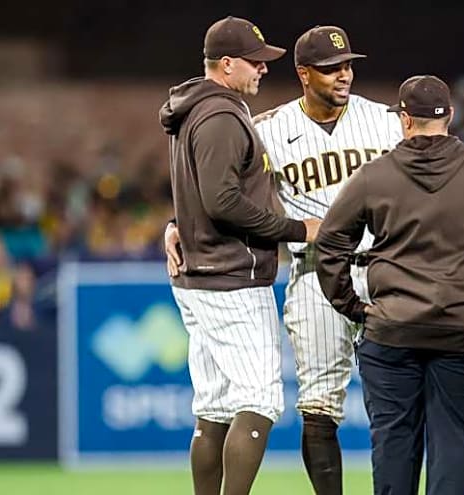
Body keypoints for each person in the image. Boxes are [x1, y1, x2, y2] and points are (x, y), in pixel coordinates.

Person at [165, 24, 403, 495]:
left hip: (385, 271)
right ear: (303, 73)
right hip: (315, 271)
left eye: (348, 65)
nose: (344, 75)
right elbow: (219, 182)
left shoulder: (387, 121)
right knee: (316, 406)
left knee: (395, 404)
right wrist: (177, 222)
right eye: (332, 68)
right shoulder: (265, 128)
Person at [315, 75, 464, 495]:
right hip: (463, 332)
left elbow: (329, 242)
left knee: (394, 444)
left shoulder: (373, 176)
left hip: (392, 330)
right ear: (450, 116)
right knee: (455, 445)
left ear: (403, 119)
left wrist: (351, 305)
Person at [159, 16, 319, 495]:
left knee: (213, 406)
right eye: (254, 61)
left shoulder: (194, 109)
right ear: (226, 64)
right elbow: (221, 200)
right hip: (231, 275)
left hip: (199, 272)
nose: (263, 69)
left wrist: (175, 224)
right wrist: (296, 230)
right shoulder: (222, 116)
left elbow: (200, 193)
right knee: (259, 399)